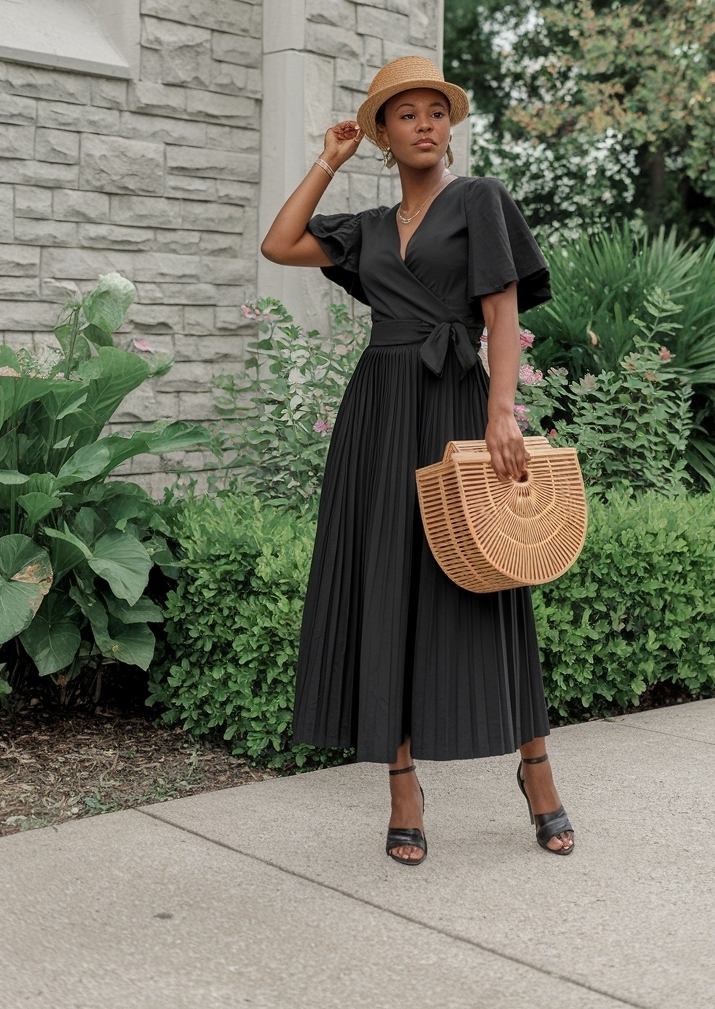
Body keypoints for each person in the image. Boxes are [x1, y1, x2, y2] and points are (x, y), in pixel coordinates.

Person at [261, 56, 574, 865]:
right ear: (383, 135)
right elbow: (279, 243)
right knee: (384, 582)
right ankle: (403, 789)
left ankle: (535, 768)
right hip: (378, 413)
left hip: (455, 401)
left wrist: (502, 411)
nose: (426, 123)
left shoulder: (480, 202)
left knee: (488, 579)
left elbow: (501, 315)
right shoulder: (362, 228)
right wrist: (328, 159)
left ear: (449, 126)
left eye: (437, 111)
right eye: (406, 115)